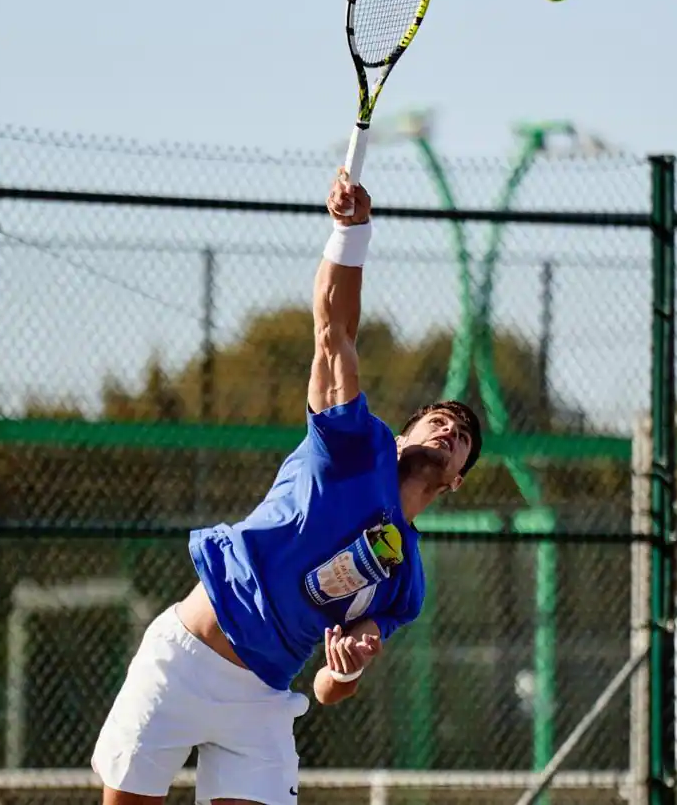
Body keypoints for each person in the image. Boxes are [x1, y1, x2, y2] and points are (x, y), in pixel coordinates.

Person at [91, 171, 483, 805]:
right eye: (438, 420)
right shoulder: (358, 447)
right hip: (187, 658)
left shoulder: (404, 582)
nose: (449, 429)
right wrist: (349, 233)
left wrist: (346, 669)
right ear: (405, 437)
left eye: (463, 435)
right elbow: (335, 332)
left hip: (264, 698)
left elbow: (332, 687)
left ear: (458, 479)